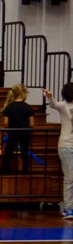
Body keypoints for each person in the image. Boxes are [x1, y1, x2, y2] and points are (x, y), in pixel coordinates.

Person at [42, 83, 73, 220]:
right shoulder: (63, 105)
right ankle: (68, 208)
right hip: (66, 146)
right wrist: (50, 97)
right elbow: (53, 104)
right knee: (70, 178)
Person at [0, 84, 34, 175]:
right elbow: (31, 123)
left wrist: (7, 130)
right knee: (24, 151)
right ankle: (25, 171)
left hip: (13, 132)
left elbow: (5, 123)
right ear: (23, 94)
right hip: (25, 132)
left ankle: (6, 170)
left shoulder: (9, 107)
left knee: (9, 151)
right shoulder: (27, 107)